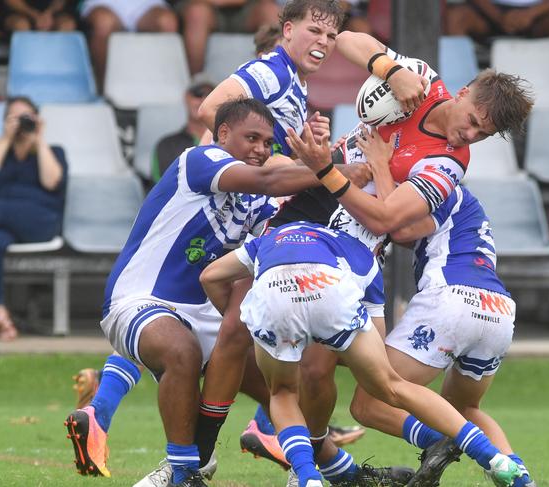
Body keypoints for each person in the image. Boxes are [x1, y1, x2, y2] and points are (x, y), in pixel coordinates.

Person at [63, 98, 369, 486]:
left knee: (284, 380)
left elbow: (279, 207)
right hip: (141, 298)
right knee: (181, 352)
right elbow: (270, 180)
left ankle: (339, 470)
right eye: (251, 138)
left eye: (267, 143)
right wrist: (335, 172)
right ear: (223, 134)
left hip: (202, 313)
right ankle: (184, 470)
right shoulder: (199, 160)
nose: (260, 149)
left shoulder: (256, 204)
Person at [192, 2, 425, 484]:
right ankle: (194, 458)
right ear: (288, 29)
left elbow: (280, 157)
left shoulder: (295, 85)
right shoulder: (269, 71)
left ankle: (313, 457)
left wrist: (309, 149)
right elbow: (212, 112)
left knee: (265, 348)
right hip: (233, 208)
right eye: (314, 30)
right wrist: (276, 159)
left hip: (257, 215)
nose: (323, 40)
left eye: (331, 33)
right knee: (229, 333)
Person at [200, 221, 524, 487]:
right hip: (327, 287)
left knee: (283, 393)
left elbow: (210, 276)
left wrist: (255, 323)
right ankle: (492, 457)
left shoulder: (268, 238)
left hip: (273, 295)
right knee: (390, 386)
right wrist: (335, 341)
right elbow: (374, 341)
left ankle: (308, 479)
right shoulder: (363, 255)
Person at [336, 126, 537, 486]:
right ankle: (520, 478)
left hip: (452, 301)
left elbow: (398, 228)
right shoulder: (465, 202)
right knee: (465, 410)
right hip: (498, 309)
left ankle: (441, 443)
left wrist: (380, 166)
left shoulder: (441, 187)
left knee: (369, 402)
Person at [0, 96, 67, 342]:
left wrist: (38, 138)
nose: (21, 123)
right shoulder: (2, 151)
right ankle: (1, 312)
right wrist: (6, 139)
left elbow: (51, 181)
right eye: (15, 117)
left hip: (40, 221)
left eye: (26, 117)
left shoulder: (54, 151)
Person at [78, 0, 179, 92]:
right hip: (103, 2)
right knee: (103, 22)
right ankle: (104, 90)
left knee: (167, 22)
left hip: (145, 3)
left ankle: (163, 91)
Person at [179, 0, 281, 75]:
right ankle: (197, 84)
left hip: (248, 8)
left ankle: (276, 78)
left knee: (271, 12)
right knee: (197, 14)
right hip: (201, 6)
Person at [151, 73, 216, 184]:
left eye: (210, 95)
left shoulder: (226, 142)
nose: (204, 100)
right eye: (198, 94)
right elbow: (164, 188)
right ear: (186, 97)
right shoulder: (166, 145)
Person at [445, 0, 549, 49]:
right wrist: (498, 16)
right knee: (455, 17)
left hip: (538, 12)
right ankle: (459, 81)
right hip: (489, 10)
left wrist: (530, 14)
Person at [1, 0, 77, 32]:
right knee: (21, 25)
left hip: (53, 12)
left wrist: (49, 12)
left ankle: (58, 60)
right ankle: (29, 61)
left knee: (67, 24)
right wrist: (34, 15)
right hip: (20, 11)